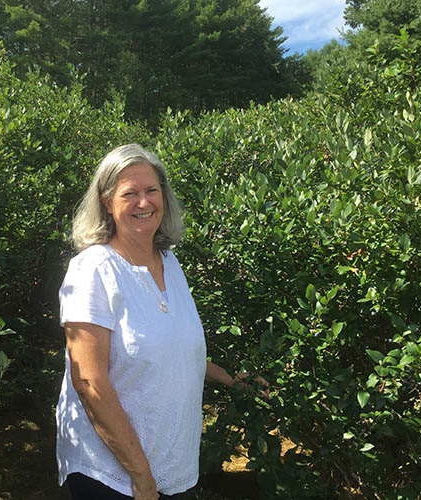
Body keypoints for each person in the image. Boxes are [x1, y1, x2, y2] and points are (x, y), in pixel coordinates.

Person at [56, 144, 267, 500]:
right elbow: (89, 381)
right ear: (107, 201)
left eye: (152, 190)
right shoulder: (93, 269)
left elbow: (175, 349)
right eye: (130, 193)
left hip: (170, 465)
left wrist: (231, 380)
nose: (144, 202)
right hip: (115, 475)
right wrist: (141, 476)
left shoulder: (168, 262)